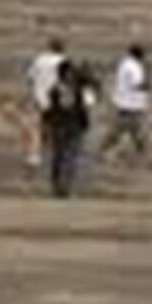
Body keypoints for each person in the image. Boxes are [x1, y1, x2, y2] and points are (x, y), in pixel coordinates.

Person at [44, 60, 92, 199]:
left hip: (68, 124)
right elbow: (83, 104)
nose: (72, 75)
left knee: (65, 156)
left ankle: (62, 186)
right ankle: (62, 186)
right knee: (65, 156)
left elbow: (87, 103)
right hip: (66, 124)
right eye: (71, 73)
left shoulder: (59, 89)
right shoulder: (69, 89)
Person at [101, 44, 152, 158]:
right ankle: (105, 148)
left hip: (125, 102)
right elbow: (137, 84)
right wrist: (147, 85)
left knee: (133, 129)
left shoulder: (125, 64)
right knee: (124, 128)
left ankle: (141, 151)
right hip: (131, 104)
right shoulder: (133, 67)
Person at [24, 37, 66, 167]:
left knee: (35, 127)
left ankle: (34, 155)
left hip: (38, 96)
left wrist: (32, 91)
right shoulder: (64, 62)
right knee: (55, 127)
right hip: (55, 99)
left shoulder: (40, 60)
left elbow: (30, 77)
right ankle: (56, 153)